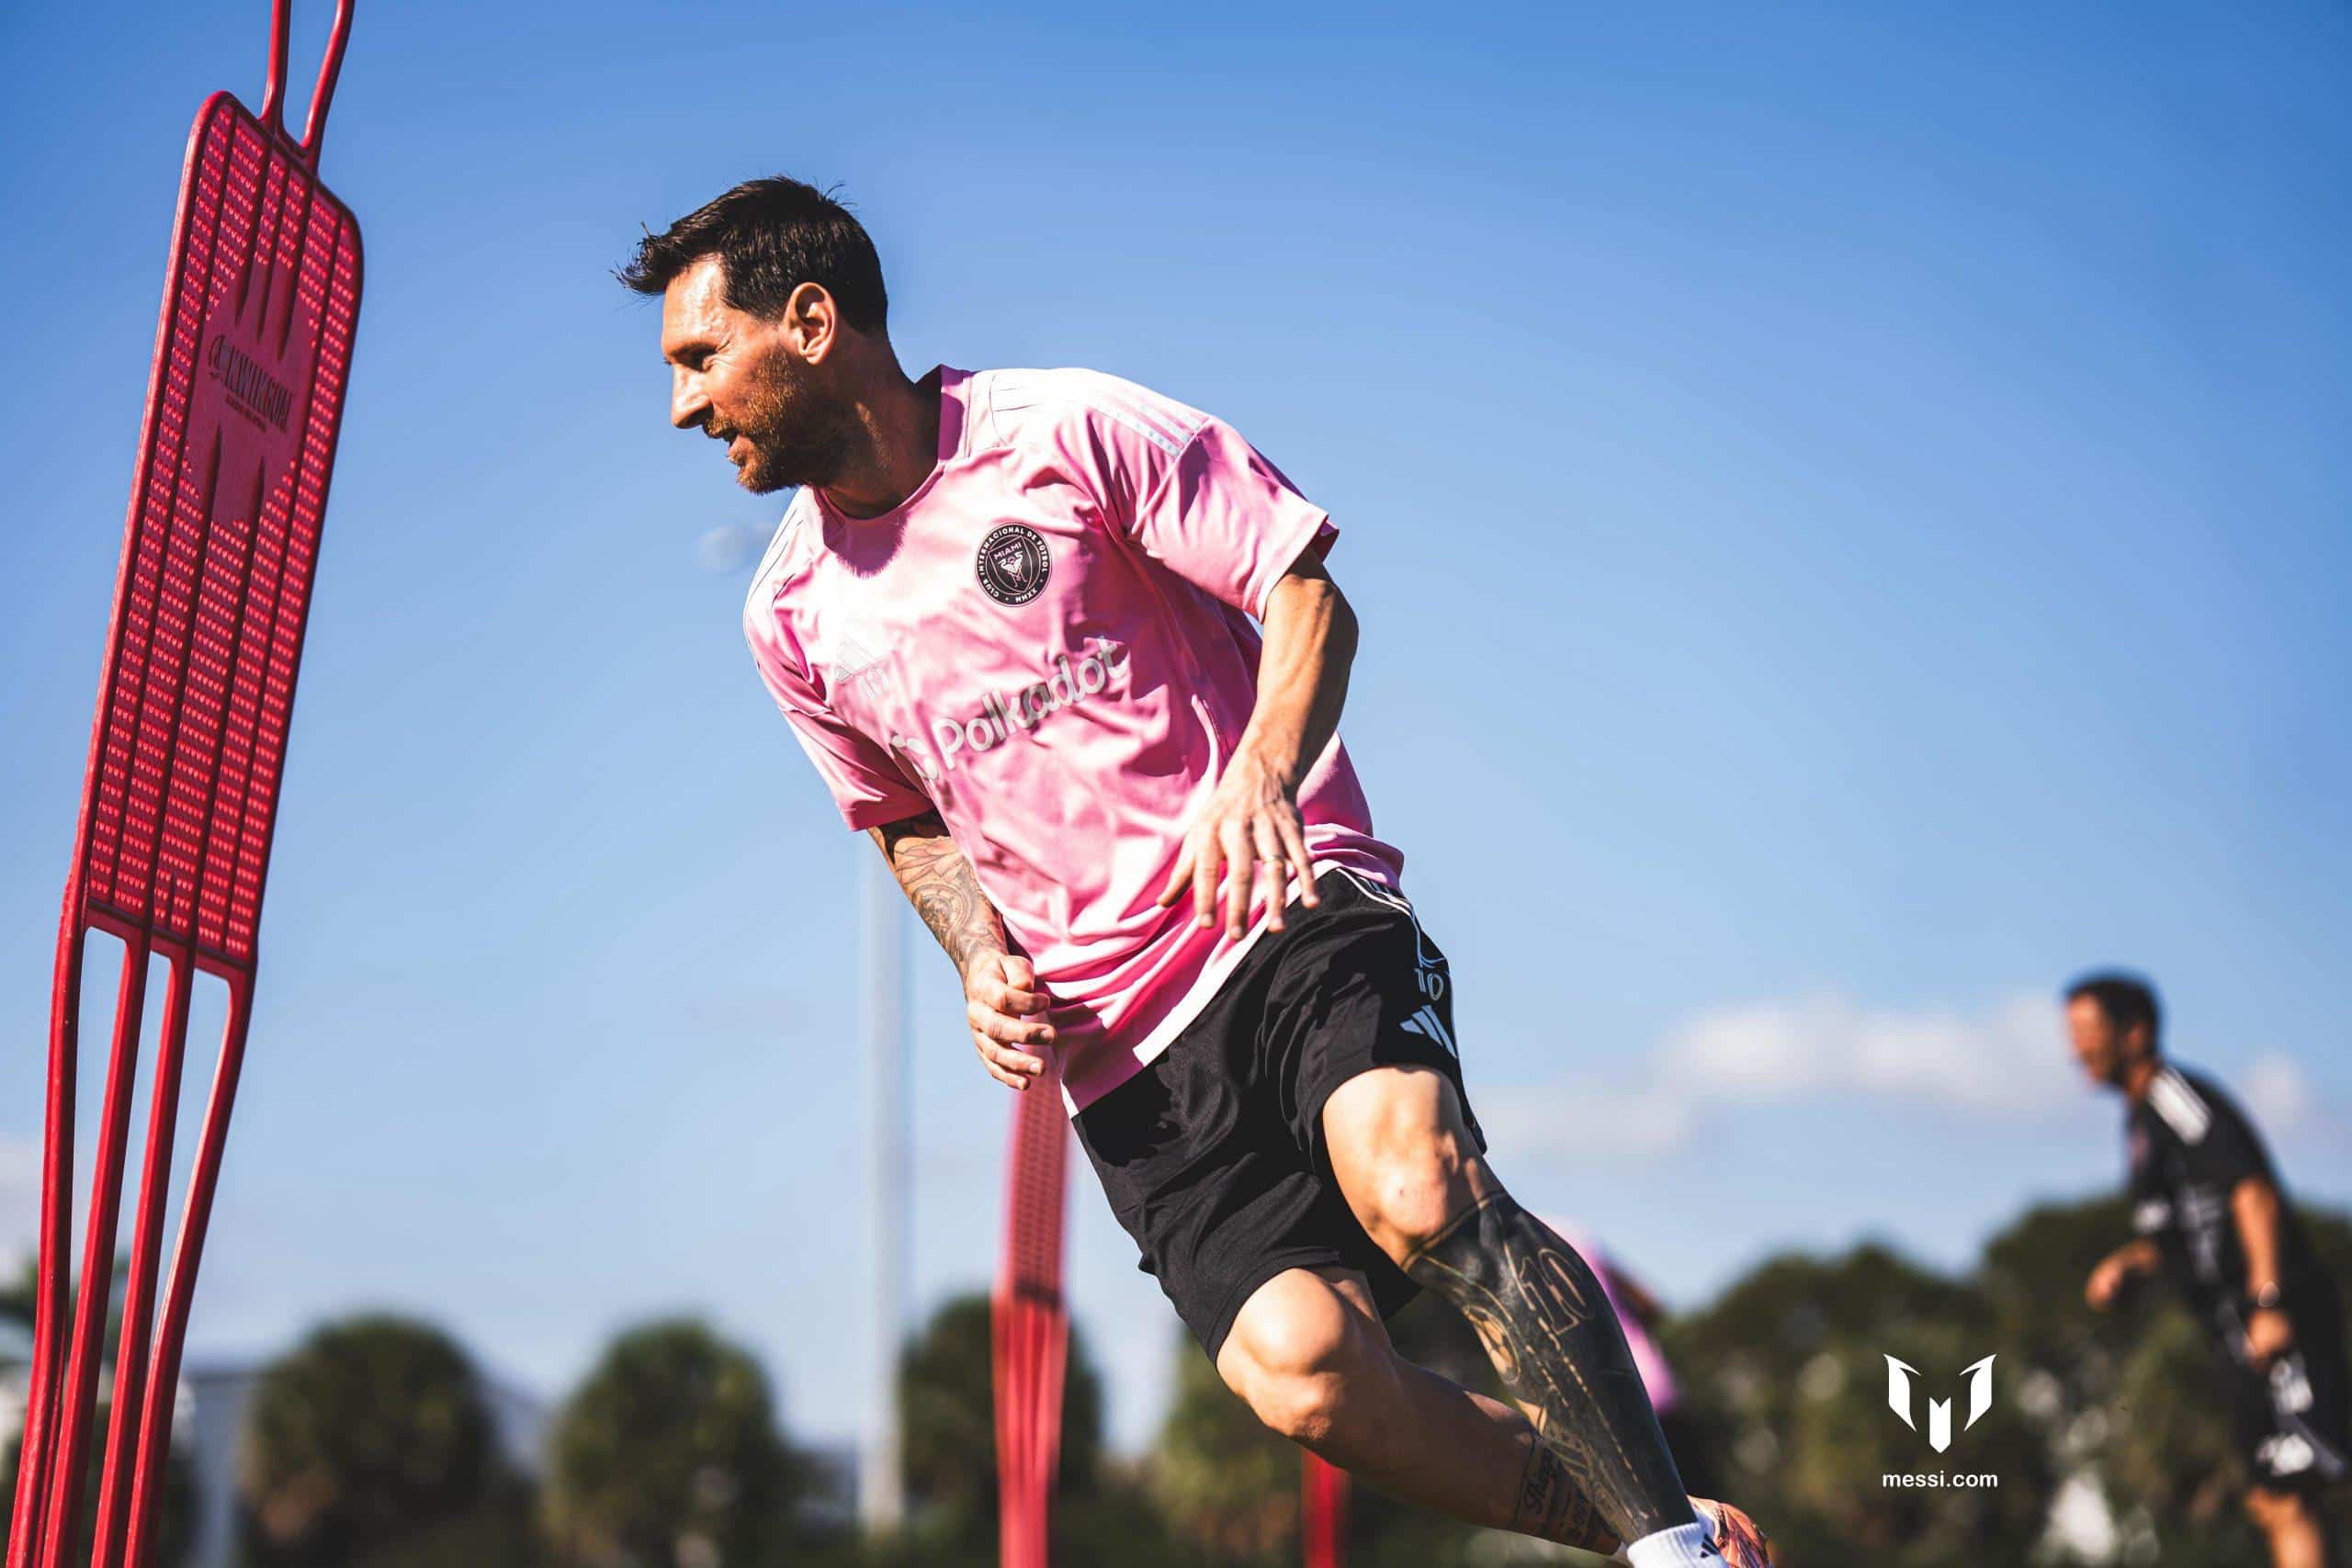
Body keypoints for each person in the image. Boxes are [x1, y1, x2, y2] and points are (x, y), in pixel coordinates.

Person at [621, 175, 1769, 1566]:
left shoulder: (1066, 429)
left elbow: (1302, 586)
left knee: (1410, 1177)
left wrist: (1265, 769)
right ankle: (1659, 1521)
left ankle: (1674, 1560)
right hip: (1125, 1057)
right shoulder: (790, 613)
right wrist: (979, 953)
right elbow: (904, 817)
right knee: (1303, 1367)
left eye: (700, 356)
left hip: (1282, 910)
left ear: (810, 321)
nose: (684, 404)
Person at [2070, 971, 2346, 1568]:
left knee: (2302, 1484)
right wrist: (2130, 1264)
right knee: (2274, 1497)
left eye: (2088, 1031)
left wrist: (2269, 1301)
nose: (2077, 1049)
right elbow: (2170, 1236)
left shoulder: (2176, 1098)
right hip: (2233, 1335)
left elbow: (2251, 1189)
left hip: (2272, 1318)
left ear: (2136, 1032)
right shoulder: (2139, 1126)